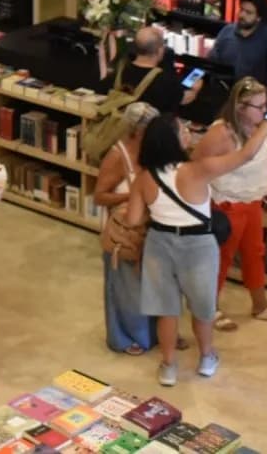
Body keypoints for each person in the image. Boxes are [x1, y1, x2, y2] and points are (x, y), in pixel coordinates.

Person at [124, 107, 267, 386]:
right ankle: (206, 357)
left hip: (159, 244)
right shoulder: (199, 170)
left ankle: (168, 366)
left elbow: (133, 219)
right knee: (203, 308)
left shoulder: (144, 178)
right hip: (198, 245)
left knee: (166, 309)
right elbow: (246, 154)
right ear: (173, 140)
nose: (188, 133)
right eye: (182, 131)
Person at [194, 77, 267, 331]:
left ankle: (260, 304)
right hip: (227, 204)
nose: (264, 111)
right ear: (239, 107)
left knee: (255, 253)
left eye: (265, 106)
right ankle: (209, 307)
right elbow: (196, 165)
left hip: (252, 201)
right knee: (220, 258)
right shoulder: (221, 133)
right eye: (259, 107)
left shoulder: (259, 126)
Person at [93, 102, 158, 356]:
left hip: (149, 232)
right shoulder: (117, 156)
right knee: (126, 290)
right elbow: (100, 196)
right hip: (124, 234)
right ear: (137, 131)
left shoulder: (151, 151)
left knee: (151, 287)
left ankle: (152, 332)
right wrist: (133, 196)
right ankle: (127, 336)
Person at [99, 26, 199, 116]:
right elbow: (183, 98)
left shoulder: (119, 68)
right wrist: (195, 89)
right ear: (160, 51)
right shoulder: (164, 79)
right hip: (148, 132)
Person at [208, 0, 267, 88]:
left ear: (258, 18)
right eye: (241, 9)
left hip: (253, 94)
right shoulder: (227, 31)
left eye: (248, 12)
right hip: (224, 89)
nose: (242, 15)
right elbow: (212, 60)